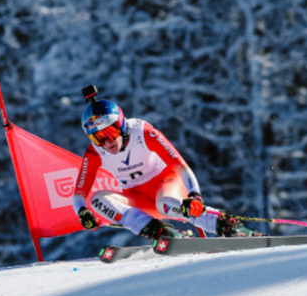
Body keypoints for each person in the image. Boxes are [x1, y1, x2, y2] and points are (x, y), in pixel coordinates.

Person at [71, 86, 252, 239]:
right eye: (97, 138)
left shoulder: (143, 134)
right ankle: (162, 233)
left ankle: (228, 226)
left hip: (166, 185)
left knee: (166, 204)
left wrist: (194, 196)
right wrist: (82, 212)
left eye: (109, 134)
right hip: (139, 198)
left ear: (121, 125)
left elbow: (181, 167)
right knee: (97, 201)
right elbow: (79, 193)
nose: (106, 143)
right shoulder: (94, 153)